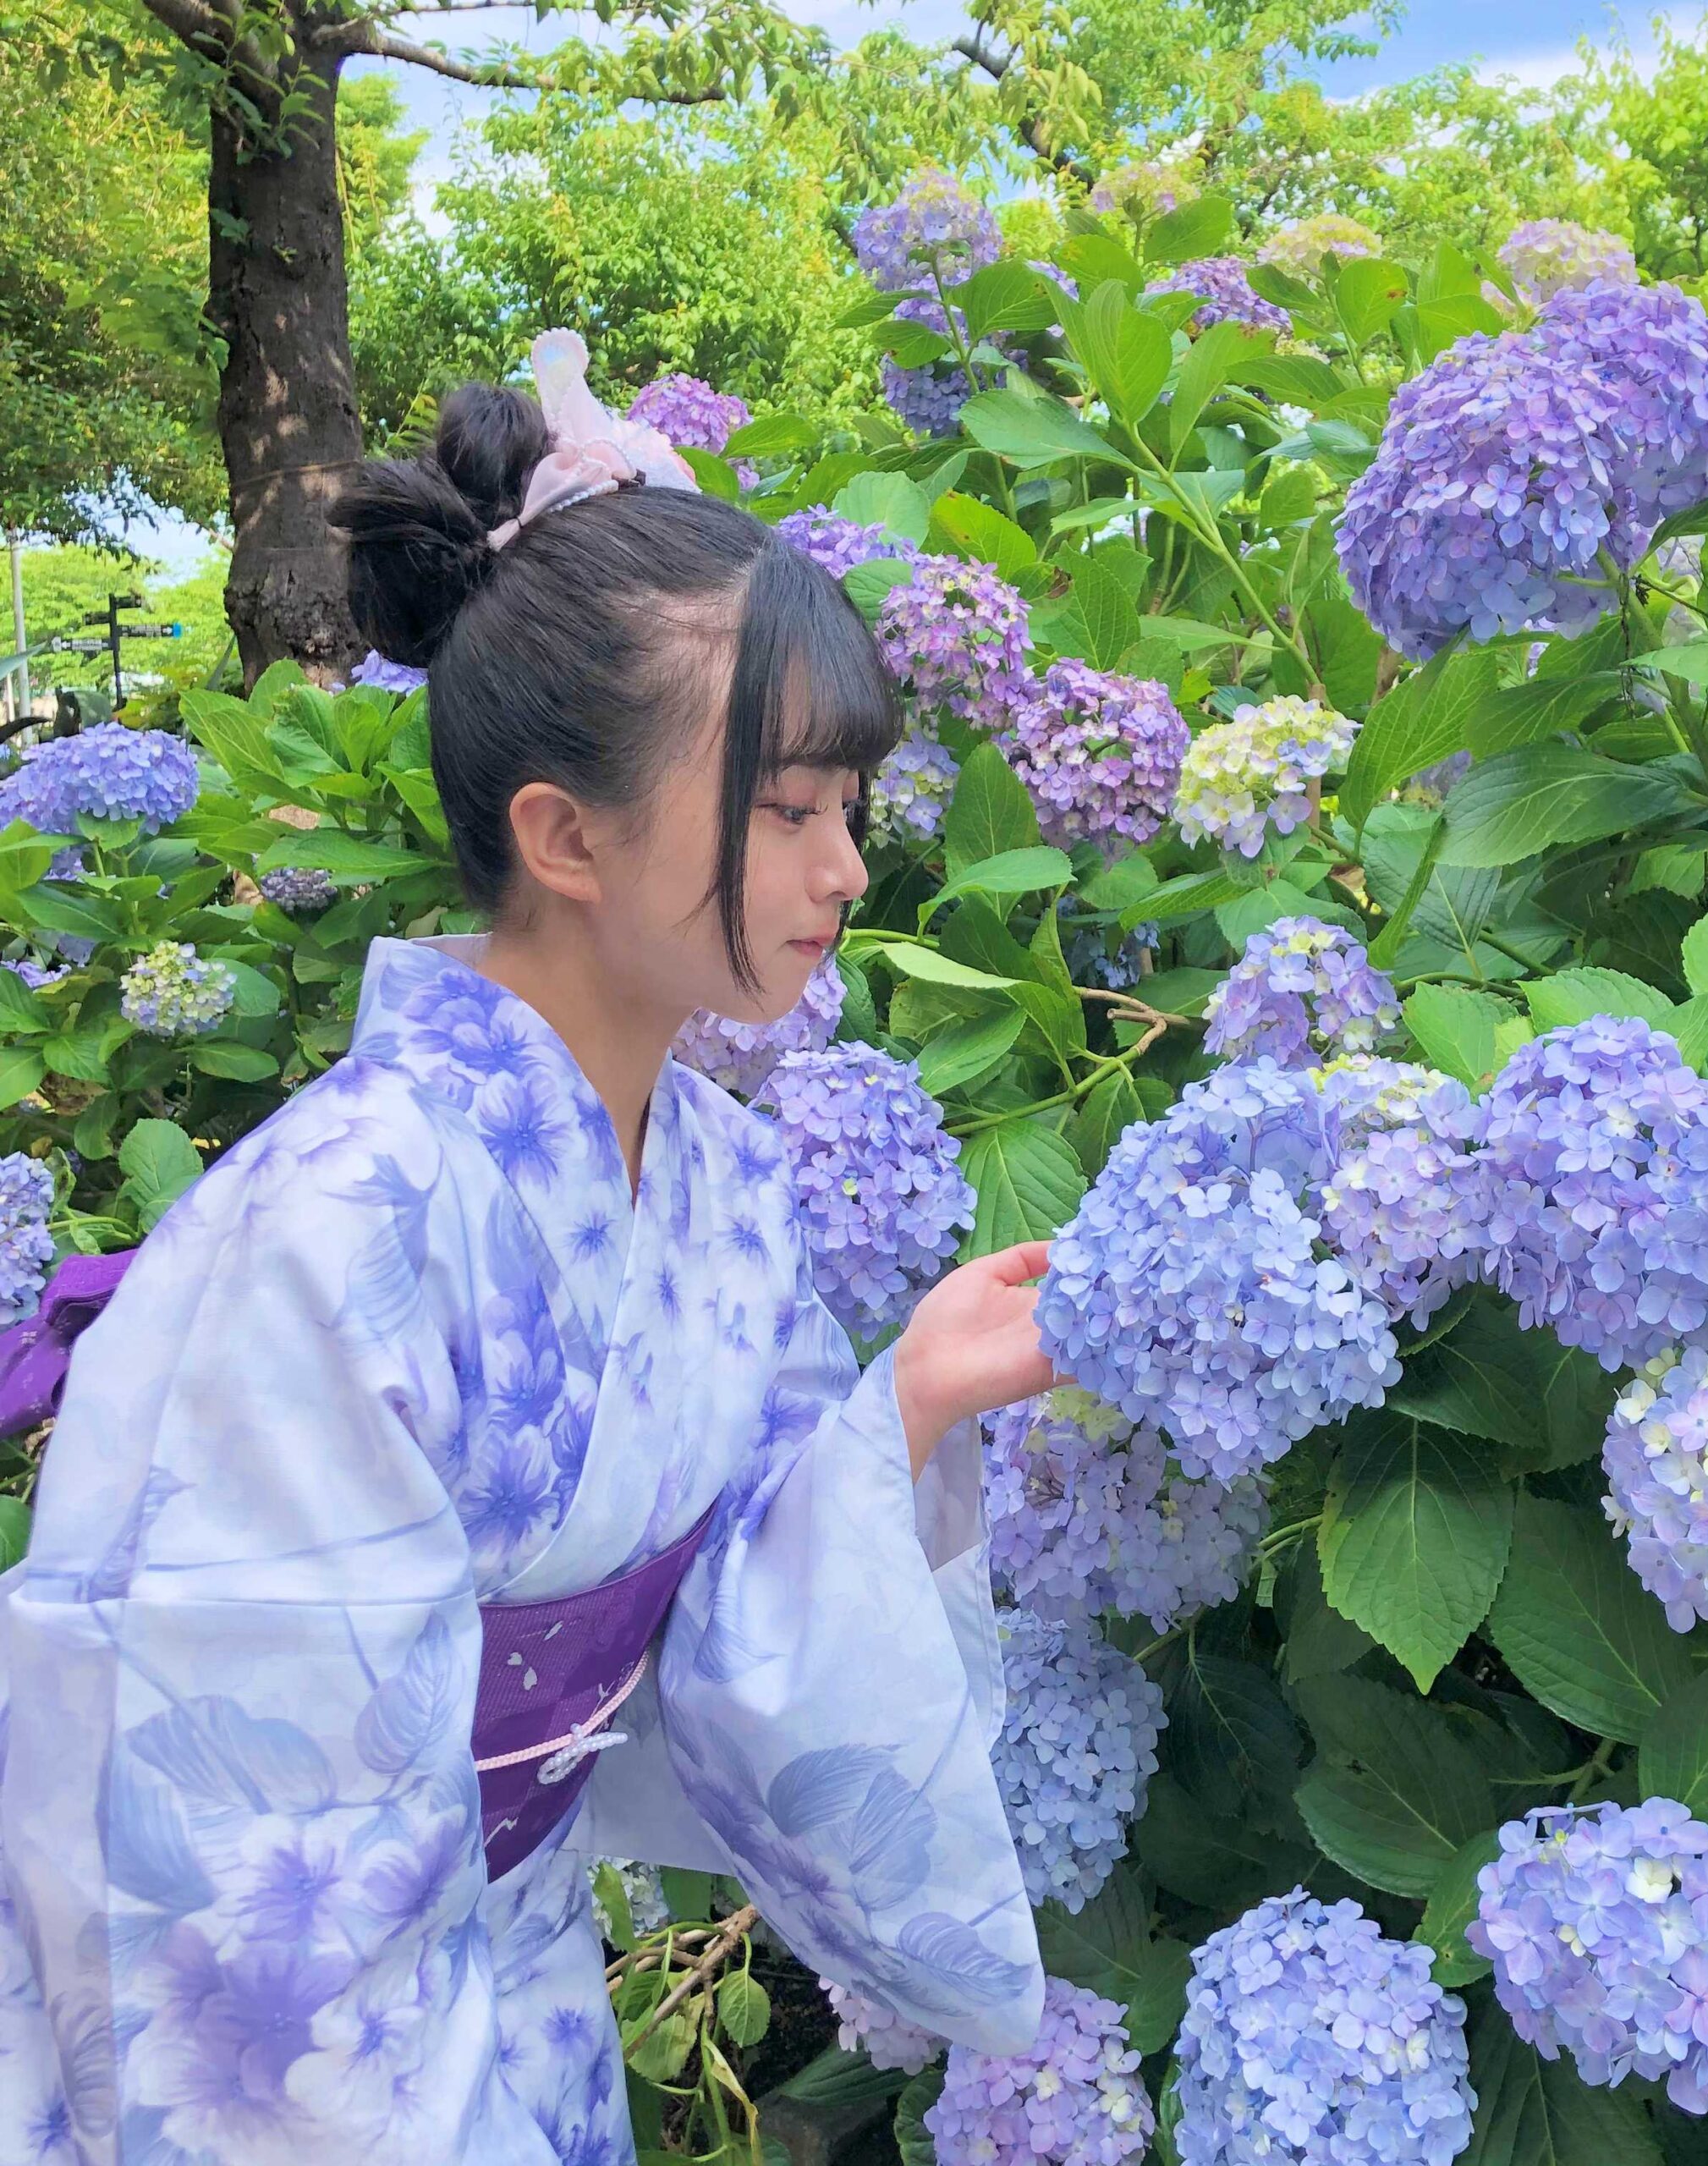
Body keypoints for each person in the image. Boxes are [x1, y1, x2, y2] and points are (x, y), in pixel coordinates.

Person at [0, 331, 1052, 2166]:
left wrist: (903, 1406)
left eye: (849, 809)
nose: (845, 870)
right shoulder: (336, 1227)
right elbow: (236, 1836)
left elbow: (748, 1588)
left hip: (524, 1969)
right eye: (787, 809)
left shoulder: (720, 1179)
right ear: (564, 835)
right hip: (331, 2050)